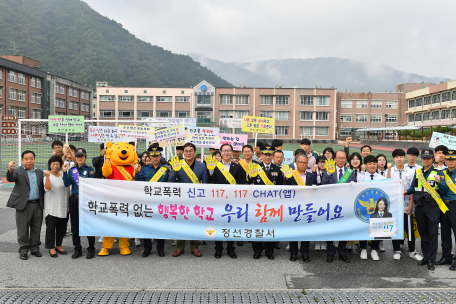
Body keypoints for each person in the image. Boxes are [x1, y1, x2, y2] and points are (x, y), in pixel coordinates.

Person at [405, 149, 442, 271]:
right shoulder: (418, 171)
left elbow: (444, 190)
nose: (426, 160)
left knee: (432, 233)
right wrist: (405, 192)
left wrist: (439, 182)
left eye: (428, 158)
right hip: (419, 207)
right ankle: (426, 256)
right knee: (423, 233)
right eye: (424, 158)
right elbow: (413, 187)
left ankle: (431, 259)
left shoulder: (439, 172)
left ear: (433, 159)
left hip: (432, 207)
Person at [169, 142, 208, 257]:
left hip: (196, 199)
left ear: (194, 152)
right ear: (183, 152)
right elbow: (170, 182)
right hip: (182, 199)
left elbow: (205, 183)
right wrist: (175, 171)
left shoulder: (201, 166)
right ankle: (180, 247)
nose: (188, 153)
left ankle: (194, 247)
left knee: (194, 223)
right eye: (186, 151)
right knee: (181, 223)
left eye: (191, 151)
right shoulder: (178, 164)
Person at [207, 143, 246, 258]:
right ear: (221, 152)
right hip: (219, 201)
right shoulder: (215, 165)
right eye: (224, 151)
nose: (226, 153)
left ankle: (230, 249)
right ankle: (218, 249)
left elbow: (241, 184)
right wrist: (210, 171)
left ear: (232, 152)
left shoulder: (237, 167)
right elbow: (210, 181)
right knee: (219, 225)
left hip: (233, 202)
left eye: (229, 150)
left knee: (231, 225)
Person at [386, 148, 423, 261]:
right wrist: (388, 170)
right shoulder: (390, 171)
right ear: (393, 158)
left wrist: (411, 205)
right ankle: (396, 250)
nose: (399, 159)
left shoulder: (411, 172)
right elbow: (387, 186)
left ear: (404, 157)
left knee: (410, 229)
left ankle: (412, 251)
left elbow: (413, 190)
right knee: (395, 229)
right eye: (397, 157)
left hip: (407, 205)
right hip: (394, 206)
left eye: (401, 156)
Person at [6, 151, 45, 260]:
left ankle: (35, 248)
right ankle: (23, 250)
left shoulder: (39, 172)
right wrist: (10, 169)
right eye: (26, 159)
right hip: (23, 205)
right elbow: (10, 178)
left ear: (34, 159)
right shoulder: (17, 171)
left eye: (31, 158)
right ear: (22, 160)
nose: (29, 161)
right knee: (23, 229)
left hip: (37, 204)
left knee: (36, 228)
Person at [248, 145, 284, 260]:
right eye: (265, 155)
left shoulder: (278, 169)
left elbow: (281, 187)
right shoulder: (255, 167)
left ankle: (269, 251)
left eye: (270, 155)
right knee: (256, 227)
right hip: (257, 204)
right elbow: (248, 183)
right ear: (262, 155)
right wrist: (250, 176)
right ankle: (257, 250)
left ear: (273, 156)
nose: (267, 157)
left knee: (270, 227)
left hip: (272, 205)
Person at [135, 144, 169, 258]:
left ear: (160, 156)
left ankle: (160, 248)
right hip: (148, 203)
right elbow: (138, 184)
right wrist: (136, 173)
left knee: (161, 226)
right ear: (149, 156)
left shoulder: (165, 169)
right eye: (153, 155)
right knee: (147, 226)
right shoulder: (143, 169)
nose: (155, 158)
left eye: (157, 155)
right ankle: (147, 248)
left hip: (161, 203)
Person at [63, 148, 96, 259]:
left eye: (82, 156)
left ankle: (91, 249)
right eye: (77, 156)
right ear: (75, 158)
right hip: (74, 199)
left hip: (86, 199)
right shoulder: (71, 170)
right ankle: (77, 249)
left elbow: (93, 186)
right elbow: (67, 184)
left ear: (85, 157)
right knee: (75, 226)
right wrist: (64, 172)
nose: (80, 158)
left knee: (88, 224)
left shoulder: (90, 170)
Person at [283, 154, 317, 262]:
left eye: (304, 163)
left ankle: (305, 253)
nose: (302, 164)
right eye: (300, 162)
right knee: (294, 231)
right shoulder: (290, 175)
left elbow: (316, 192)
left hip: (307, 207)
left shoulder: (312, 176)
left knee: (305, 232)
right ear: (296, 163)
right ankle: (293, 253)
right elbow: (284, 189)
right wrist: (287, 178)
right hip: (293, 207)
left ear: (307, 164)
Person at [321, 150, 353, 263]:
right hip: (331, 204)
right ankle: (330, 253)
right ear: (334, 159)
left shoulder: (350, 171)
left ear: (346, 160)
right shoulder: (330, 169)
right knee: (331, 230)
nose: (341, 160)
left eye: (343, 158)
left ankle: (342, 253)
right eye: (338, 158)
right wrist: (328, 173)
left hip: (345, 205)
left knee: (344, 230)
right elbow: (323, 184)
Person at [358, 155, 387, 261]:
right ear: (365, 165)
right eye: (369, 164)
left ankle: (374, 250)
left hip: (378, 208)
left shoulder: (381, 178)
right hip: (364, 208)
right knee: (364, 228)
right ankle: (363, 249)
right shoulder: (360, 177)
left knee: (376, 228)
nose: (372, 166)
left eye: (374, 163)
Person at [43, 156, 69, 258]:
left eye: (57, 164)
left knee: (61, 228)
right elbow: (48, 189)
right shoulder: (47, 176)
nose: (55, 165)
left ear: (60, 165)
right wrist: (48, 177)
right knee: (50, 228)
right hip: (52, 206)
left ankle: (58, 245)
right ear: (50, 165)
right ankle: (51, 247)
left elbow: (68, 189)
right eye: (53, 164)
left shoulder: (63, 175)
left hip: (63, 206)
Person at [435, 149, 456, 270]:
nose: (451, 161)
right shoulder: (443, 173)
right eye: (448, 159)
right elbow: (444, 191)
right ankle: (447, 256)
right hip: (444, 205)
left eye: (453, 159)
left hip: (455, 204)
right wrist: (439, 182)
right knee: (445, 233)